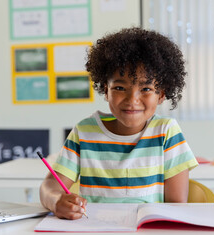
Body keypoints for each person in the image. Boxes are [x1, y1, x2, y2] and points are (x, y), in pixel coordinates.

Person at [40, 27, 198, 220]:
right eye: (120, 87)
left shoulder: (166, 132)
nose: (132, 99)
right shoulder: (84, 132)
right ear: (105, 90)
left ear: (162, 94)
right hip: (95, 232)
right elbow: (49, 187)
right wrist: (56, 201)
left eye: (146, 88)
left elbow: (175, 205)